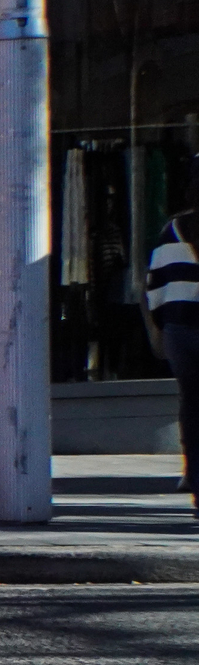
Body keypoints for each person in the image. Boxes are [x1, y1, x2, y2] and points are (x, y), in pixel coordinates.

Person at [150, 167, 199, 516]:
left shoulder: (171, 229)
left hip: (179, 329)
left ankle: (193, 475)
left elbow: (155, 285)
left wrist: (160, 324)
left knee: (191, 401)